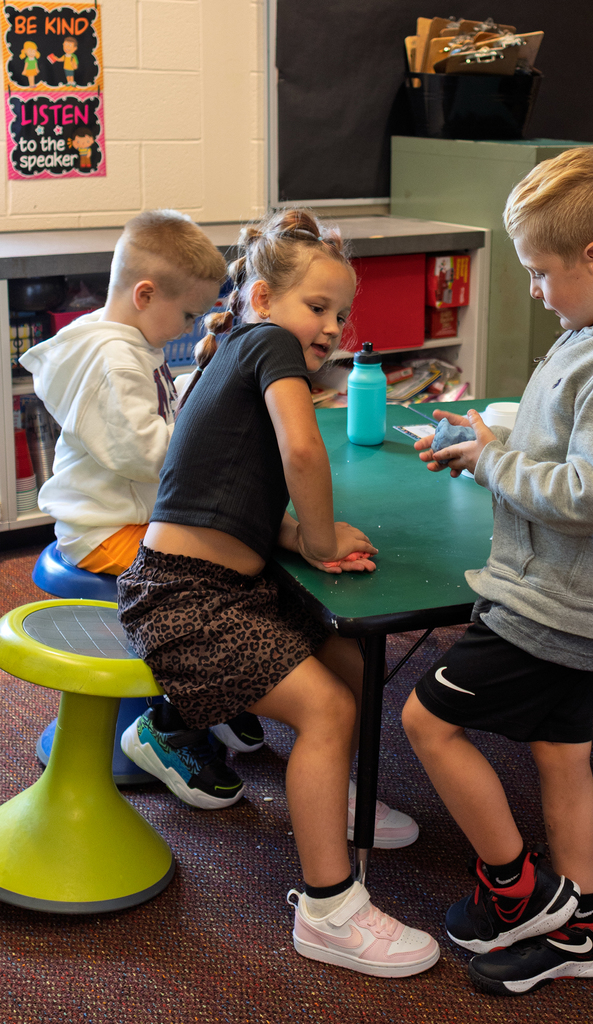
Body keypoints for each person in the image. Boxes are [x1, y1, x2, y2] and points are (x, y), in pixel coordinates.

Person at [401, 147, 593, 996]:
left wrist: (493, 464)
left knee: (426, 722)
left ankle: (516, 893)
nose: (534, 289)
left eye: (538, 271)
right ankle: (585, 928)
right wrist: (490, 445)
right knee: (561, 757)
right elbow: (565, 453)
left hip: (552, 603)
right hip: (563, 593)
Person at [116, 208, 436, 977]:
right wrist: (319, 540)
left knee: (354, 663)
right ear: (262, 298)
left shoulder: (238, 345)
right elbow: (301, 451)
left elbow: (225, 491)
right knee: (327, 710)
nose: (331, 327)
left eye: (341, 314)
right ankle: (328, 910)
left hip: (231, 582)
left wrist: (296, 537)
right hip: (185, 598)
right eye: (317, 307)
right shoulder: (267, 343)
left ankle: (332, 799)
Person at [20, 209, 265, 804]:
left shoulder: (129, 342)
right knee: (202, 582)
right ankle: (170, 727)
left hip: (133, 515)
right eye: (186, 315)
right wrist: (215, 444)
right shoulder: (112, 360)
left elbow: (156, 418)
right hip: (105, 528)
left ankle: (214, 695)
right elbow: (144, 452)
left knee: (242, 561)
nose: (190, 326)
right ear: (145, 294)